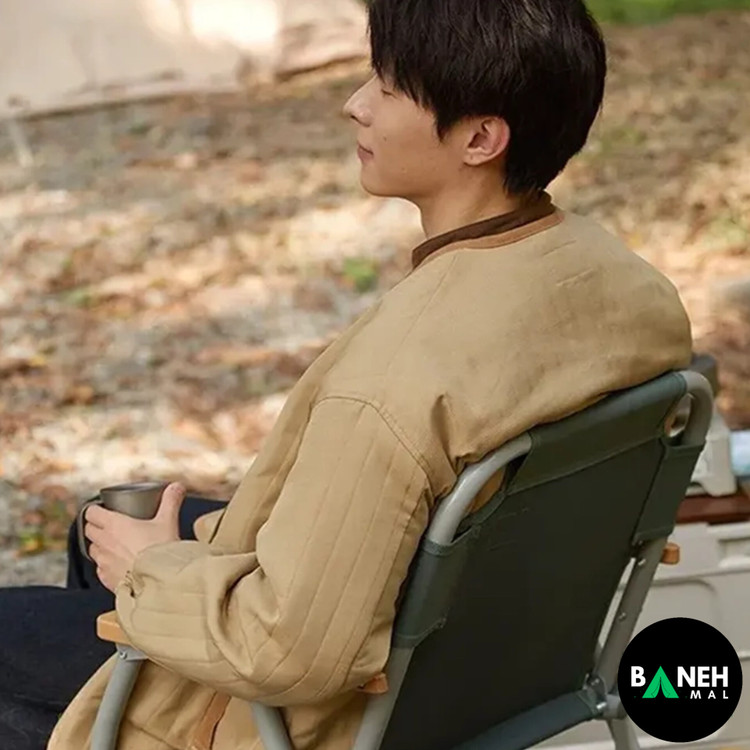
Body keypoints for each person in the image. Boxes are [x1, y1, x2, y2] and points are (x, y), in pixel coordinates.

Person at [0, 0, 694, 748]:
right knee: (94, 525)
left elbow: (288, 652)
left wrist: (154, 570)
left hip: (308, 717)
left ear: (480, 138)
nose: (354, 105)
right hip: (490, 671)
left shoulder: (392, 386)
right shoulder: (631, 290)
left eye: (388, 88)